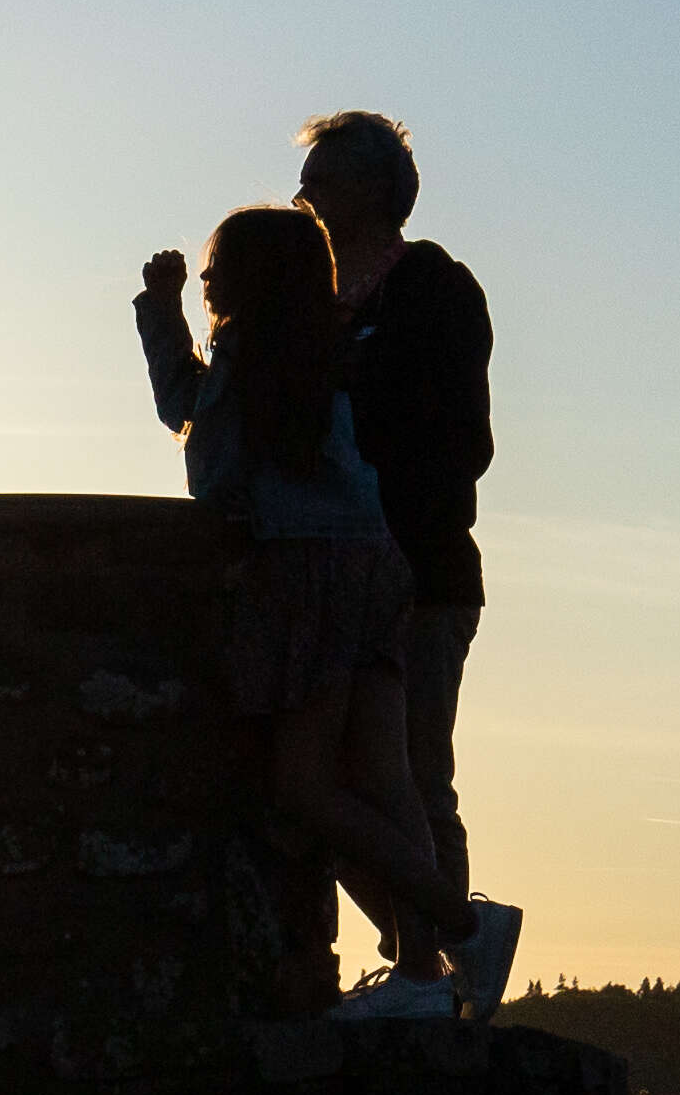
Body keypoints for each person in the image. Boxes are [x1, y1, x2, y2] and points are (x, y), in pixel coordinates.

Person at [136, 208, 468, 1019]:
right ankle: (424, 971)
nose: (207, 279)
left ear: (252, 278)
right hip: (372, 568)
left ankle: (464, 927)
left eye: (217, 267)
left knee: (303, 785)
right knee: (387, 782)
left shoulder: (256, 359)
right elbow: (197, 403)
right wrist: (166, 310)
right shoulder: (319, 352)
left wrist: (162, 309)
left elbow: (202, 441)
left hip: (312, 572)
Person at [300, 107, 515, 1016]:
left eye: (324, 174)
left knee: (416, 772)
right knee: (326, 779)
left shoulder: (431, 289)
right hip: (337, 579)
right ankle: (436, 956)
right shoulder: (316, 306)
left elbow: (462, 441)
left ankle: (447, 981)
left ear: (376, 189)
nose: (305, 191)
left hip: (418, 575)